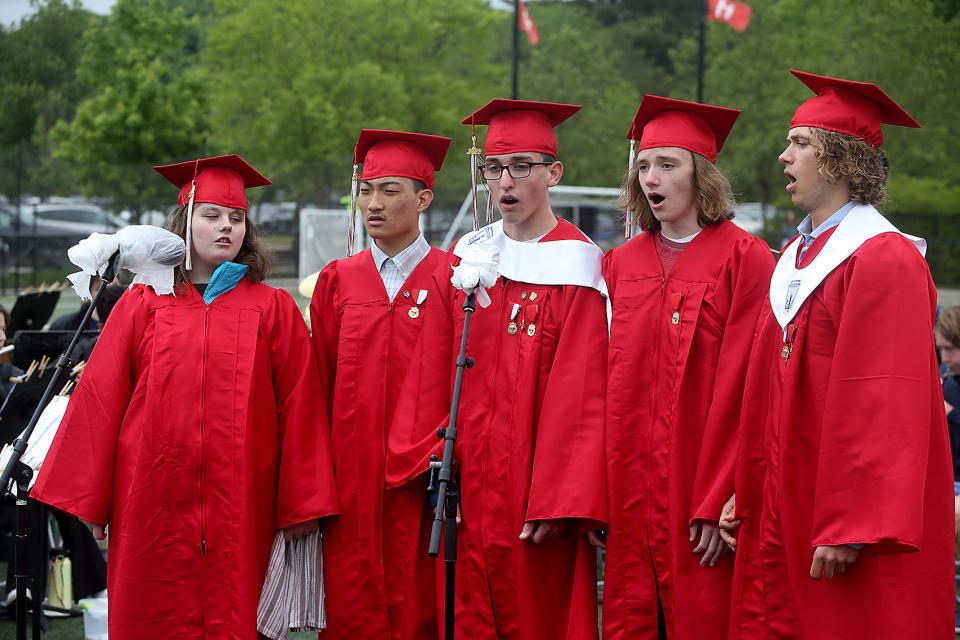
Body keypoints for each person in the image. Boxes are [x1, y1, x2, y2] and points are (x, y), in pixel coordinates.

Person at [31, 154, 339, 640]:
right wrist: (93, 500)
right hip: (150, 496)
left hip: (243, 500)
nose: (226, 228)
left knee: (235, 617)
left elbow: (300, 406)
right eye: (212, 215)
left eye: (236, 218)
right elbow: (101, 399)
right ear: (183, 221)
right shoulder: (143, 302)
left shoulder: (271, 306)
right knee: (153, 611)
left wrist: (302, 503)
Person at [723, 70, 954, 639]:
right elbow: (767, 386)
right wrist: (743, 483)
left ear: (841, 159)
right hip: (786, 498)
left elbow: (886, 395)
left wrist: (854, 523)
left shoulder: (884, 259)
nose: (783, 157)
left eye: (799, 143)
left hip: (841, 515)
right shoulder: (796, 259)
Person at [386, 99, 608, 640]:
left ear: (553, 174)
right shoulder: (469, 257)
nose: (504, 181)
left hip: (535, 492)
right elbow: (434, 366)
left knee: (537, 615)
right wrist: (434, 466)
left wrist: (561, 497)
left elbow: (582, 395)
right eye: (494, 168)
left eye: (522, 168)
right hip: (466, 485)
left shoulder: (580, 268)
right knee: (464, 612)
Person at [599, 95, 774, 640]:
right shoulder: (618, 263)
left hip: (701, 489)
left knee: (704, 618)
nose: (652, 177)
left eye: (668, 164)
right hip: (627, 490)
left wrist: (723, 493)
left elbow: (751, 385)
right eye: (644, 166)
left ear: (702, 176)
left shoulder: (746, 259)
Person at [310, 129, 451, 640]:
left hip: (425, 481)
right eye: (366, 190)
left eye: (390, 190)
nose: (373, 204)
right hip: (349, 482)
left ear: (423, 199)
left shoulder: (456, 279)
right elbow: (315, 390)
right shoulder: (337, 280)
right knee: (353, 609)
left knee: (423, 607)